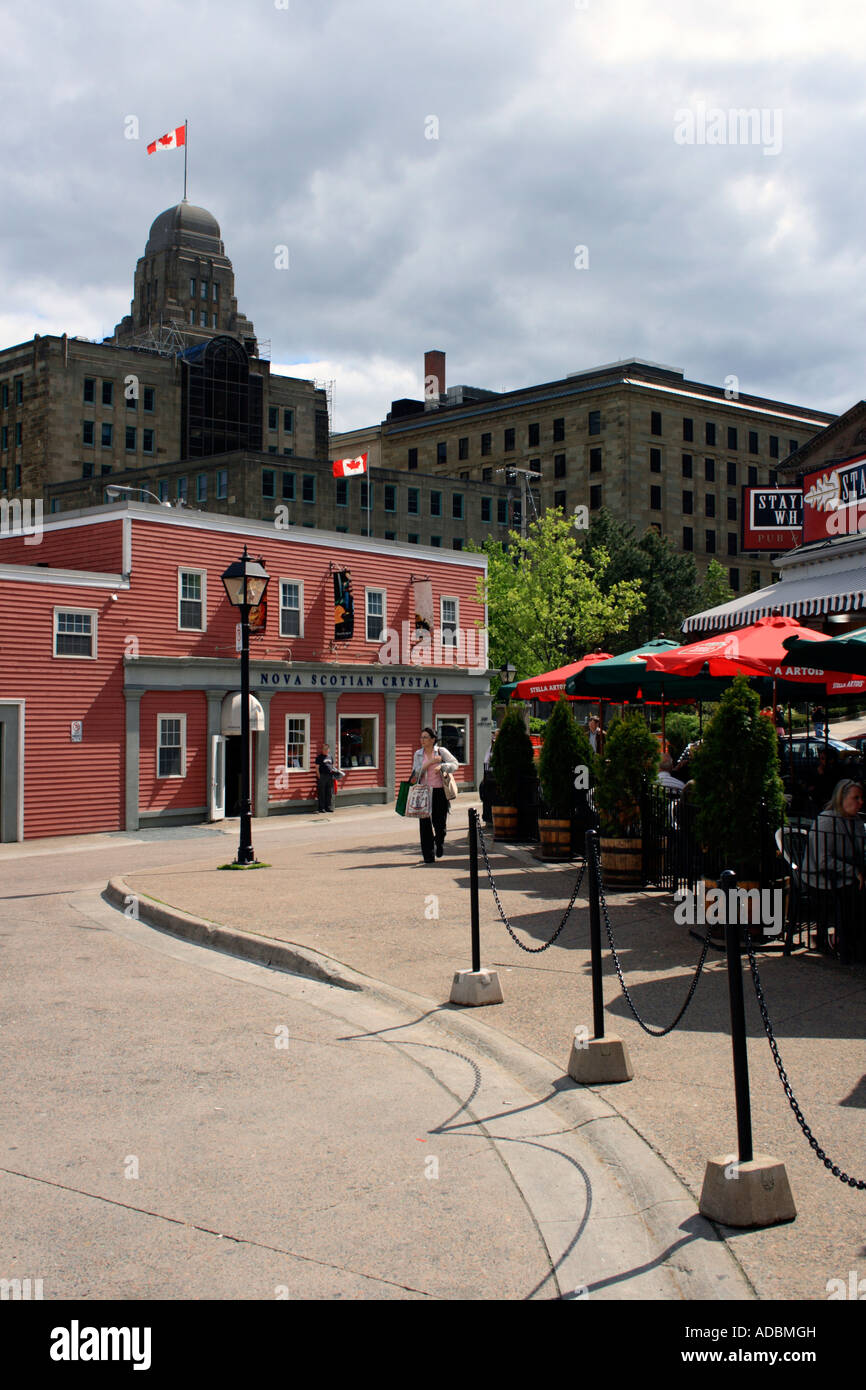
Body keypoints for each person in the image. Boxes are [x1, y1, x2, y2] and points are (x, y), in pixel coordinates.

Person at [802, 779, 866, 961]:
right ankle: (846, 943)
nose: (860, 802)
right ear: (842, 798)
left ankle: (851, 941)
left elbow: (860, 851)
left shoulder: (857, 821)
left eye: (861, 798)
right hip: (822, 877)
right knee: (855, 895)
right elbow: (823, 861)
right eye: (856, 798)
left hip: (843, 874)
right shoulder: (827, 821)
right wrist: (853, 871)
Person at [409, 726, 459, 863]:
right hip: (423, 792)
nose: (422, 740)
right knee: (424, 824)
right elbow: (415, 774)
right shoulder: (418, 754)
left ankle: (439, 842)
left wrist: (442, 766)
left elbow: (455, 764)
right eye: (421, 737)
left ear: (433, 739)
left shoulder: (441, 751)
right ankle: (428, 856)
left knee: (439, 823)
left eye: (425, 737)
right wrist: (430, 763)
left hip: (439, 792)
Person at [314, 743, 341, 812]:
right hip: (322, 776)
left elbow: (332, 766)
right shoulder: (319, 757)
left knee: (329, 792)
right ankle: (321, 808)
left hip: (330, 776)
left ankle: (328, 807)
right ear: (322, 750)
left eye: (327, 749)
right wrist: (319, 776)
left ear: (329, 750)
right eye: (324, 749)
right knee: (322, 792)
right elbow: (317, 768)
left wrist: (335, 773)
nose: (325, 750)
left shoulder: (330, 757)